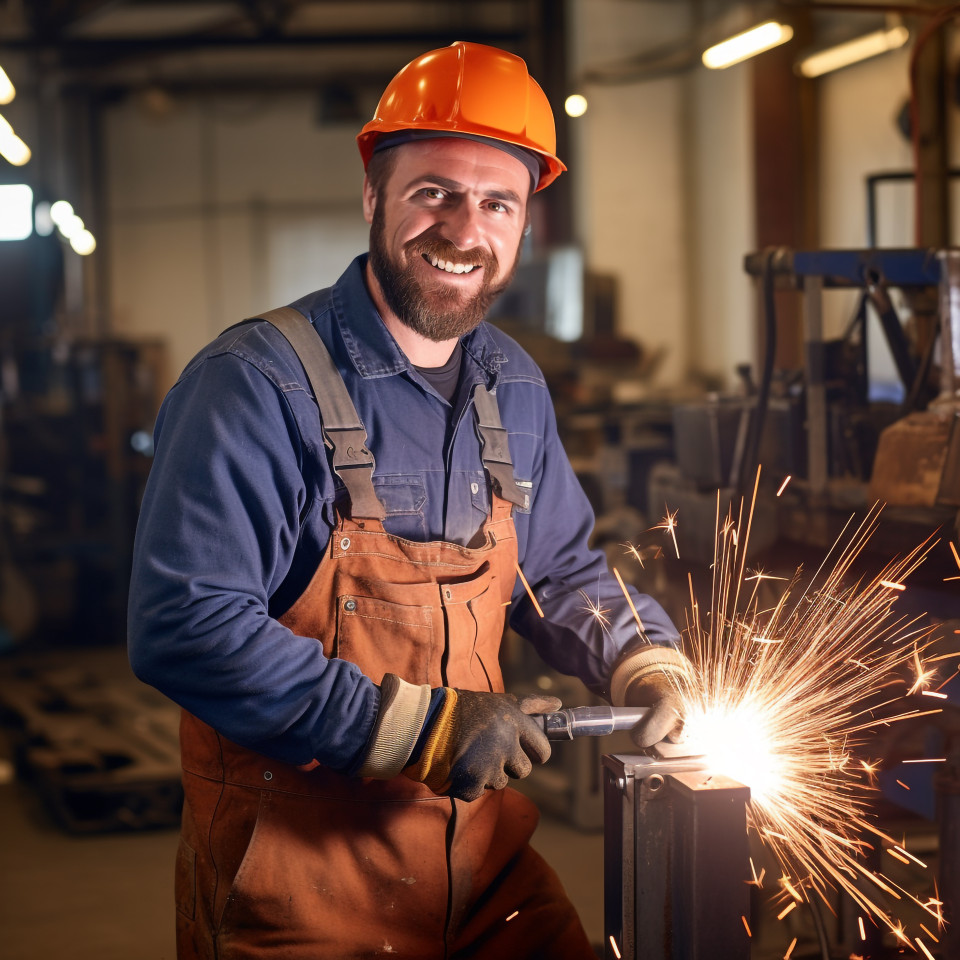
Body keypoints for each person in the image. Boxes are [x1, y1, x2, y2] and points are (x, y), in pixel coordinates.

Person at [128, 40, 690, 960]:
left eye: (497, 202)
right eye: (435, 192)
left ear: (523, 226)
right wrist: (411, 726)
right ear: (374, 199)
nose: (465, 229)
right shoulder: (254, 387)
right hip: (301, 885)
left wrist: (645, 658)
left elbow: (561, 569)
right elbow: (183, 625)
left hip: (481, 865)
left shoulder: (514, 385)